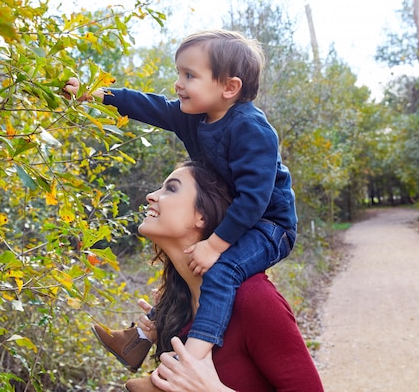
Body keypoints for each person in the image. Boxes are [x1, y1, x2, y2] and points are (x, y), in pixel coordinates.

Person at [63, 29, 298, 368]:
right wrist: (96, 94)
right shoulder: (192, 117)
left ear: (229, 87)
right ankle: (139, 339)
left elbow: (254, 200)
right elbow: (148, 105)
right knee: (185, 268)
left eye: (189, 75)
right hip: (236, 217)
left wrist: (215, 245)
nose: (178, 83)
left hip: (269, 225)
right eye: (179, 73)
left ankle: (190, 363)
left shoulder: (251, 130)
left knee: (221, 270)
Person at [124, 161, 323, 391]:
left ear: (202, 216)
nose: (151, 196)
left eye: (171, 188)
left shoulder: (254, 299)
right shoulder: (181, 302)